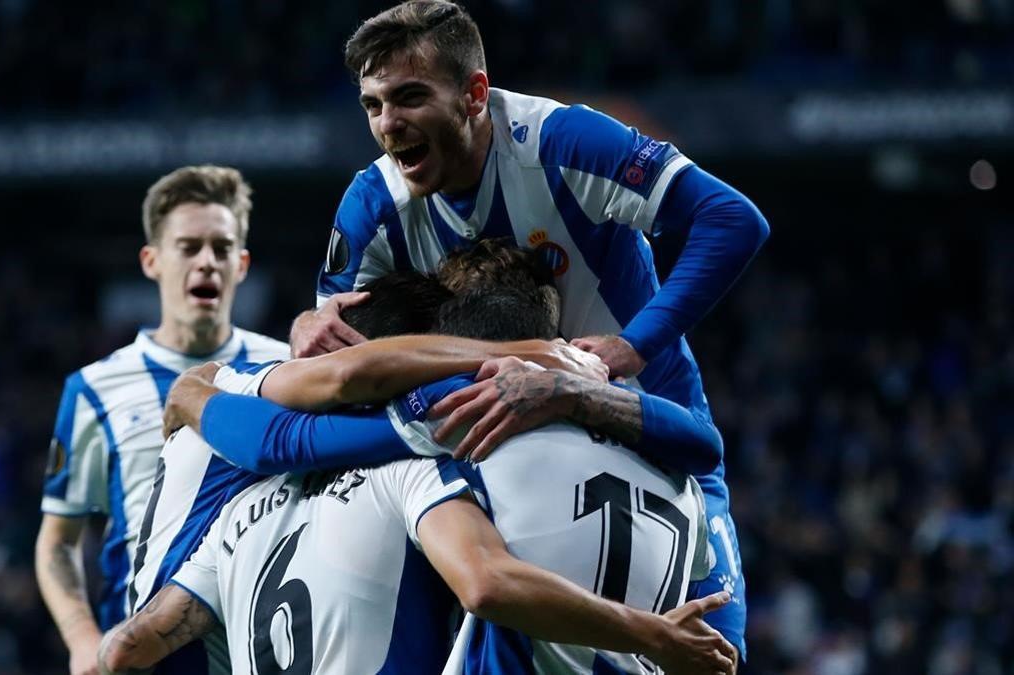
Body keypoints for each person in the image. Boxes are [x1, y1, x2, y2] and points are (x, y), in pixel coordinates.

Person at [289, 1, 768, 665]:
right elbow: (330, 354)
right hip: (494, 456)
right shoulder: (373, 204)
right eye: (372, 105)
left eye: (408, 97)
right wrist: (309, 324)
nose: (387, 125)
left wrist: (634, 344)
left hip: (644, 430)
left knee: (717, 657)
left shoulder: (563, 142)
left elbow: (731, 218)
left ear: (475, 93)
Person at [104, 272, 736, 675]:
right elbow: (706, 444)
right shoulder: (663, 444)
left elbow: (124, 651)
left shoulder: (435, 444)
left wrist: (192, 390)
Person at [34, 165, 289, 675]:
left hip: (256, 647)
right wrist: (82, 640)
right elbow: (57, 542)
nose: (207, 262)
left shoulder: (285, 371)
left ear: (242, 265)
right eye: (189, 247)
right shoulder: (93, 389)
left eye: (221, 248)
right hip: (140, 656)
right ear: (151, 261)